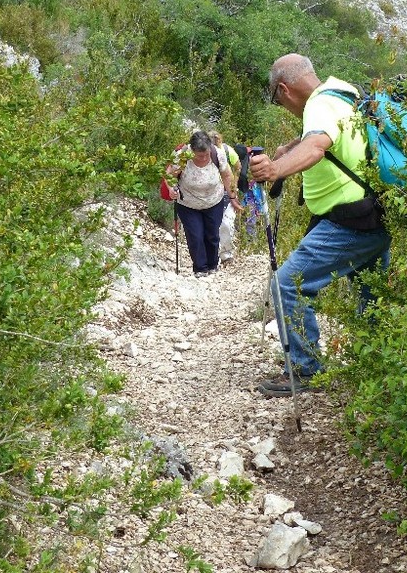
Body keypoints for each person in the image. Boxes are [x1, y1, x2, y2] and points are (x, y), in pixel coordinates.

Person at [249, 53, 391, 398]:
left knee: (287, 286)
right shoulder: (343, 93)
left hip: (348, 222)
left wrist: (275, 170)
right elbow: (332, 136)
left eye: (276, 99)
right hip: (379, 214)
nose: (281, 106)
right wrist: (289, 148)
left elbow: (317, 146)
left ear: (283, 90)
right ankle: (380, 370)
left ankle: (304, 368)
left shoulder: (317, 107)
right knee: (372, 296)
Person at [165, 131, 242, 276]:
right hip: (188, 203)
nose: (205, 157)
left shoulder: (217, 154)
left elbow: (226, 175)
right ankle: (200, 268)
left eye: (207, 154)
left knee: (212, 235)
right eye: (200, 156)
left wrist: (233, 197)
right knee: (195, 235)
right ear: (192, 151)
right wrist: (171, 189)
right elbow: (169, 175)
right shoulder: (182, 156)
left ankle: (213, 266)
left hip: (214, 201)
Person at [209, 131, 241, 265]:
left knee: (226, 223)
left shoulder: (228, 151)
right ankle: (215, 254)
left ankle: (226, 255)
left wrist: (234, 185)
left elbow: (238, 167)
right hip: (211, 192)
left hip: (228, 192)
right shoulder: (206, 152)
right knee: (214, 223)